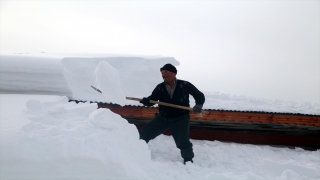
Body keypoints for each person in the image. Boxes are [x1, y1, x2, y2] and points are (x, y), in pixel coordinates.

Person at [139, 63, 205, 164]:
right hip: (163, 117)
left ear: (173, 73)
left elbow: (199, 95)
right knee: (144, 134)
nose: (163, 74)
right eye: (162, 73)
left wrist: (199, 105)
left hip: (180, 118)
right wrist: (146, 101)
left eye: (165, 72)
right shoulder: (160, 87)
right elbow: (152, 99)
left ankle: (188, 159)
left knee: (183, 141)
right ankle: (136, 152)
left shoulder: (185, 85)